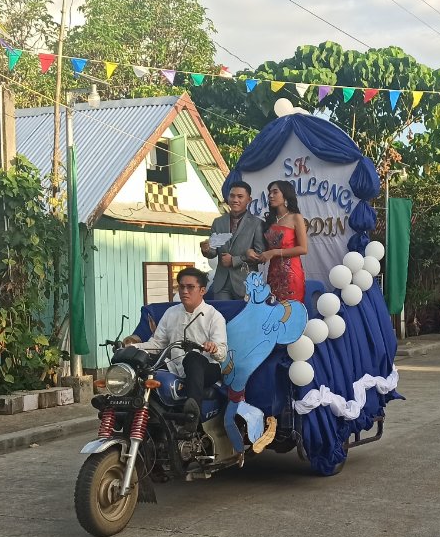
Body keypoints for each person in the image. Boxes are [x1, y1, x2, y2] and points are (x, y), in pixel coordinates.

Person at [123, 267, 227, 433]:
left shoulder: (214, 316)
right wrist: (131, 348)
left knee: (192, 357)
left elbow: (221, 354)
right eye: (181, 287)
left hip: (207, 368)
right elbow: (157, 344)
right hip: (174, 367)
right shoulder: (171, 313)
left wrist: (213, 347)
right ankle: (133, 412)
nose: (184, 291)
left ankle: (193, 415)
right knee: (139, 363)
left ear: (202, 290)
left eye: (190, 287)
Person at [201, 181, 265, 300]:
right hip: (221, 283)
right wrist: (206, 250)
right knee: (222, 318)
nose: (235, 200)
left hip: (246, 284)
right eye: (232, 196)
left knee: (245, 318)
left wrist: (235, 260)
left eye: (240, 196)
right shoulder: (218, 222)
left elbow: (260, 255)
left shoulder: (257, 223)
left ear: (249, 200)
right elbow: (213, 252)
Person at [247, 180, 307, 302]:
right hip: (273, 272)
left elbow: (303, 249)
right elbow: (265, 249)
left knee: (291, 310)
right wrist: (251, 251)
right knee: (274, 312)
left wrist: (274, 252)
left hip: (291, 273)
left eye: (275, 192)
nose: (270, 195)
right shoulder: (270, 221)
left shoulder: (296, 217)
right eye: (269, 193)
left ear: (285, 195)